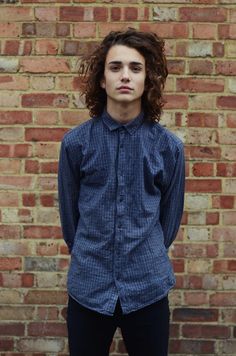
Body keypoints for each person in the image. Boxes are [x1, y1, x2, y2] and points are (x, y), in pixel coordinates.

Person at [58, 28, 185, 356]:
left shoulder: (168, 147)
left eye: (135, 68)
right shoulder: (75, 144)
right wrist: (91, 253)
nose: (125, 76)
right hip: (88, 286)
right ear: (102, 80)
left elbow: (168, 221)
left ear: (147, 80)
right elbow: (70, 219)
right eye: (115, 68)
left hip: (148, 288)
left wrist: (144, 252)